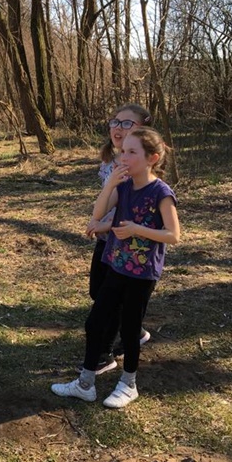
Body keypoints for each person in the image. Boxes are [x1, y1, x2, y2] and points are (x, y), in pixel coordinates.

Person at [53, 126, 180, 408]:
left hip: (142, 274)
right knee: (95, 322)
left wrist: (136, 229)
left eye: (132, 152)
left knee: (131, 329)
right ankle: (85, 384)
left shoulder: (161, 192)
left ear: (152, 158)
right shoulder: (122, 186)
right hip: (115, 265)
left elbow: (173, 235)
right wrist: (110, 183)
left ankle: (128, 384)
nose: (124, 157)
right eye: (123, 152)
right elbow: (98, 214)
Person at [81, 104, 153, 374]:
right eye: (115, 122)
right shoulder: (110, 162)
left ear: (143, 131)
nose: (118, 128)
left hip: (126, 243)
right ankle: (135, 330)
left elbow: (136, 210)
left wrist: (105, 224)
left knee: (108, 300)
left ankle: (104, 354)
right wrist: (98, 221)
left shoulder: (139, 167)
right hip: (106, 239)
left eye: (126, 124)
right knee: (97, 291)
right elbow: (107, 200)